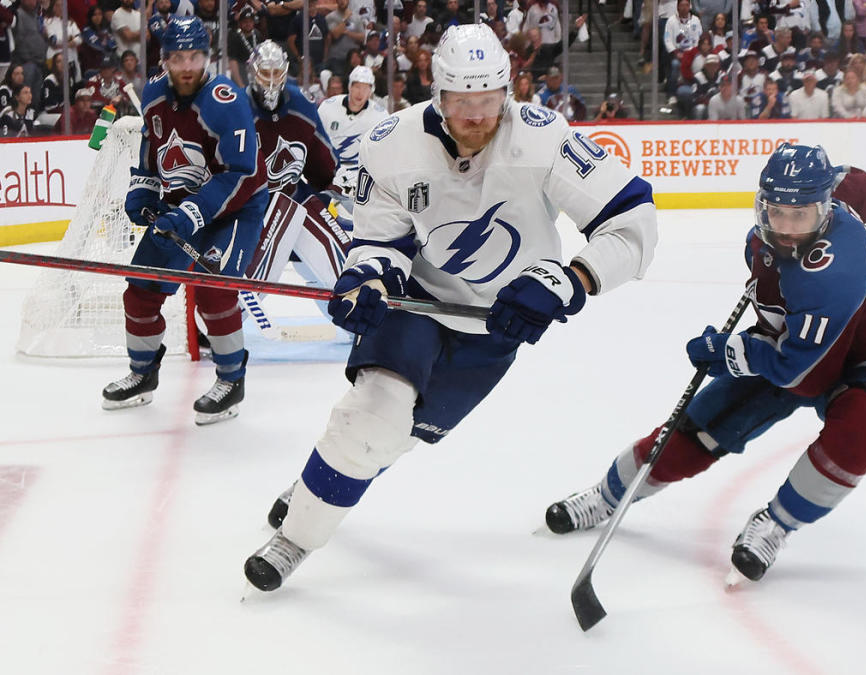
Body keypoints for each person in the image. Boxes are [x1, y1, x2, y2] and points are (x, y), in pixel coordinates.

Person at [242, 24, 657, 592]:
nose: (477, 115)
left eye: (488, 99)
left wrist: (569, 279)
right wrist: (366, 278)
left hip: (497, 321)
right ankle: (295, 537)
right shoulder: (390, 143)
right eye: (462, 100)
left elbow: (633, 223)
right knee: (373, 414)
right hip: (417, 299)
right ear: (437, 92)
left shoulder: (543, 138)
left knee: (399, 435)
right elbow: (379, 240)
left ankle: (320, 482)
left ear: (508, 91)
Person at [543, 145, 866, 584]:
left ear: (826, 210)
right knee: (698, 430)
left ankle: (777, 523)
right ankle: (607, 496)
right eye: (777, 212)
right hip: (784, 347)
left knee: (865, 431)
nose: (787, 229)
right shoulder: (806, 212)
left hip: (859, 363)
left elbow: (799, 374)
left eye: (801, 216)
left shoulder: (833, 271)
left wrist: (730, 352)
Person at [101, 17, 268, 425]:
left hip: (234, 209)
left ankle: (231, 380)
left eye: (195, 56)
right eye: (178, 58)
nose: (187, 65)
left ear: (207, 58)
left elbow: (240, 172)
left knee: (214, 292)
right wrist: (142, 190)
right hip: (179, 206)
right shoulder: (155, 94)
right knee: (141, 288)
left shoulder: (226, 101)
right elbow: (150, 145)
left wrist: (191, 213)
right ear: (165, 60)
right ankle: (142, 374)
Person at [243, 41, 347, 302]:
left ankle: (361, 318)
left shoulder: (301, 104)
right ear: (251, 72)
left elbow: (323, 162)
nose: (270, 81)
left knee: (347, 261)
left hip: (292, 197)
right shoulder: (236, 109)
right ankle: (223, 326)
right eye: (264, 73)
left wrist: (333, 183)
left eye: (276, 73)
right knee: (248, 283)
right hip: (251, 208)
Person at [318, 65, 387, 206]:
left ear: (371, 90)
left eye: (365, 88)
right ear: (349, 86)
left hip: (361, 179)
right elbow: (316, 142)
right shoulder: (328, 107)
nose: (360, 92)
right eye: (356, 86)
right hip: (330, 175)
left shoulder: (380, 116)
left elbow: (384, 154)